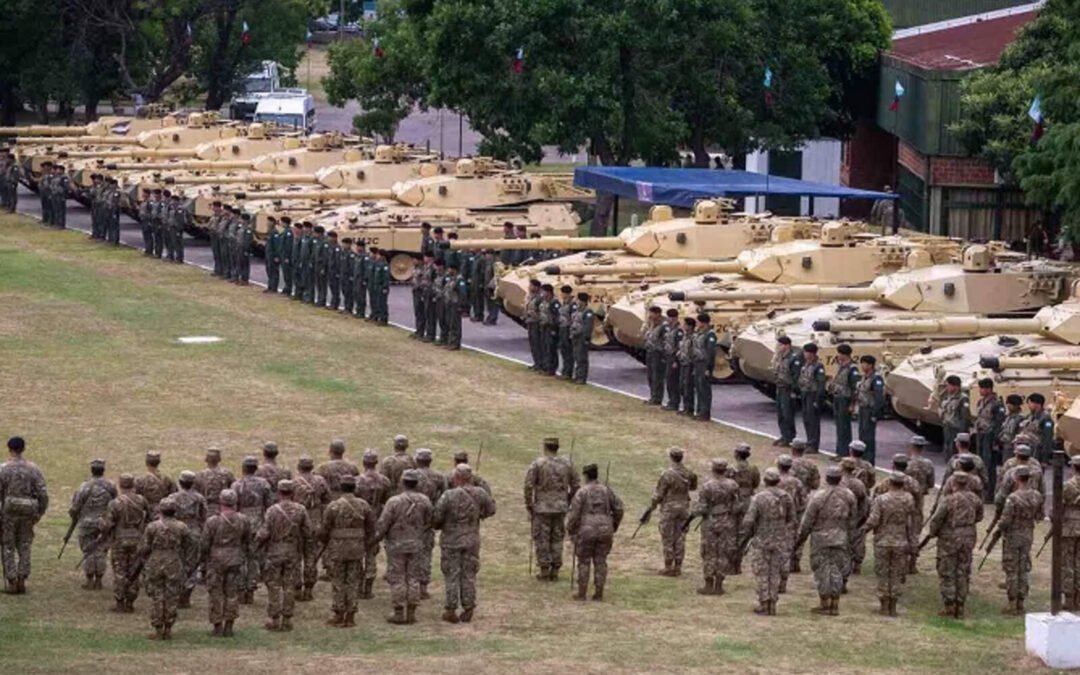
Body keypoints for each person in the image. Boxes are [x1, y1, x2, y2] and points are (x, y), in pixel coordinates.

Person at [434, 464, 496, 623]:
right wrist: (478, 516)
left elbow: (437, 518)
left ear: (457, 478)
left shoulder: (448, 495)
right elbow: (491, 509)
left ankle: (450, 608)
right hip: (471, 540)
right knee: (469, 574)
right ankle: (468, 607)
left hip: (451, 540)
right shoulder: (480, 493)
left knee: (451, 574)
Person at [373, 469, 434, 624]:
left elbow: (383, 523)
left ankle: (399, 612)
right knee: (413, 578)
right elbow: (430, 521)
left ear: (402, 483)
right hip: (416, 544)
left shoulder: (394, 501)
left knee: (398, 578)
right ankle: (412, 612)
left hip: (396, 545)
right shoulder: (425, 500)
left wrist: (375, 539)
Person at [797, 465, 857, 616]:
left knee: (822, 571)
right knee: (837, 569)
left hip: (820, 539)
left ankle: (824, 603)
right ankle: (835, 603)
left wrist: (800, 539)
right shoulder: (849, 495)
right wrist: (850, 537)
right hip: (841, 538)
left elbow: (807, 522)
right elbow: (853, 520)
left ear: (827, 478)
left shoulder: (818, 496)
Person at [923, 472, 983, 618]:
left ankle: (949, 604)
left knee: (947, 571)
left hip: (949, 538)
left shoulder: (948, 500)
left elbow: (937, 519)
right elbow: (979, 516)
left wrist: (933, 533)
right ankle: (960, 604)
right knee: (963, 571)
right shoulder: (975, 499)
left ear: (953, 483)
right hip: (968, 537)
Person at [320, 475, 376, 628]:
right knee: (353, 581)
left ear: (341, 487)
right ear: (355, 487)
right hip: (357, 548)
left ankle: (339, 614)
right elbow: (371, 527)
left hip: (338, 549)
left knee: (338, 581)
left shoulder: (333, 506)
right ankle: (351, 616)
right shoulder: (363, 505)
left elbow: (325, 529)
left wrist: (324, 544)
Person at [138, 496, 196, 640]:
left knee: (157, 595)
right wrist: (188, 563)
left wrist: (145, 559)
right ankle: (168, 628)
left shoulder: (152, 526)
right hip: (174, 561)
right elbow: (191, 545)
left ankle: (158, 629)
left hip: (155, 561)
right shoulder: (182, 527)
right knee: (172, 596)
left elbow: (144, 547)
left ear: (160, 510)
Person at [740, 468, 795, 616]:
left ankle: (764, 603)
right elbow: (791, 519)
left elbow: (749, 521)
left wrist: (745, 537)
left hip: (762, 540)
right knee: (775, 572)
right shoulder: (786, 497)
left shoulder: (758, 498)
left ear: (765, 481)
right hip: (780, 540)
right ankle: (773, 603)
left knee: (762, 572)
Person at [566, 463, 624, 601]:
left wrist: (571, 529)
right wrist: (613, 524)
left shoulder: (582, 492)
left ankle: (582, 593)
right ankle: (599, 593)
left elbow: (574, 514)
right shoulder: (607, 491)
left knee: (584, 561)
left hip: (586, 529)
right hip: (605, 528)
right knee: (601, 561)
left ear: (585, 476)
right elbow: (619, 509)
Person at [524, 437, 579, 581]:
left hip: (542, 507)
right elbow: (576, 485)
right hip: (560, 507)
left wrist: (530, 506)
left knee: (542, 538)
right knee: (557, 538)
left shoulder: (538, 464)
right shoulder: (567, 464)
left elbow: (529, 486)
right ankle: (555, 569)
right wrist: (568, 500)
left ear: (545, 447)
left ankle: (544, 569)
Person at [864, 472, 918, 616]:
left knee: (883, 572)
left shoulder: (881, 499)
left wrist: (863, 529)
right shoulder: (909, 499)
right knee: (896, 573)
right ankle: (893, 605)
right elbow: (910, 521)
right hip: (901, 540)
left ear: (890, 483)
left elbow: (874, 519)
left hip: (883, 540)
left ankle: (884, 605)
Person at [200, 488, 252, 637]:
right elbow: (248, 541)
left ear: (220, 502)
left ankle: (217, 626)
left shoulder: (213, 521)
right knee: (232, 593)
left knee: (215, 593)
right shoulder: (243, 519)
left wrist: (204, 559)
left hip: (216, 559)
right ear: (235, 502)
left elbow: (204, 544)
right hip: (235, 558)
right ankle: (229, 625)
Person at [0, 437, 48, 594]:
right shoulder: (33, 469)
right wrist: (39, 512)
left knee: (8, 546)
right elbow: (42, 493)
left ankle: (11, 580)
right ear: (23, 448)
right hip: (28, 513)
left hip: (8, 513)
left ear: (9, 449)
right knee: (24, 545)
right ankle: (22, 579)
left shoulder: (4, 469)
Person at [100, 473, 151, 612]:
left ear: (120, 485)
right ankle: (130, 602)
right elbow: (150, 518)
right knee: (134, 570)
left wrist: (103, 533)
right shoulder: (141, 500)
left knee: (120, 571)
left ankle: (120, 602)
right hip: (137, 539)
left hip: (120, 540)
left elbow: (107, 524)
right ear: (133, 484)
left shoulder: (115, 503)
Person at [997, 466, 1043, 615]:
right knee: (1023, 568)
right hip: (1028, 534)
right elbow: (1040, 516)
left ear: (1016, 479)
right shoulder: (1037, 496)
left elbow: (1005, 520)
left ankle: (1012, 602)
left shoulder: (1013, 498)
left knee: (1011, 569)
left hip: (1013, 536)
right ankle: (1021, 601)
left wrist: (999, 527)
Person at [692, 458, 741, 595]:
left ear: (713, 469)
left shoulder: (708, 486)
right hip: (727, 521)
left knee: (709, 551)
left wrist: (694, 511)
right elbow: (737, 506)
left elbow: (701, 508)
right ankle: (719, 584)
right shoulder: (733, 485)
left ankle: (708, 584)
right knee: (723, 552)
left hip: (711, 522)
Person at [650, 447, 698, 577]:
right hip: (684, 507)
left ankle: (668, 566)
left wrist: (653, 505)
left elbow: (659, 494)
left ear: (671, 457)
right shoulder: (689, 473)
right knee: (681, 537)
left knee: (668, 537)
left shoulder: (667, 474)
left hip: (669, 508)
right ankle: (678, 566)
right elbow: (693, 487)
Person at [69, 459, 117, 590]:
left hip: (87, 523)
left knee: (88, 550)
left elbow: (75, 507)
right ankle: (99, 579)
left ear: (92, 470)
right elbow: (115, 503)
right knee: (101, 550)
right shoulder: (110, 486)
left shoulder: (85, 486)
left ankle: (90, 579)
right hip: (104, 522)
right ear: (103, 470)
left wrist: (74, 517)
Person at [232, 456, 273, 603]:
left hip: (241, 524)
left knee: (241, 557)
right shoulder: (264, 484)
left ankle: (241, 589)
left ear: (243, 468)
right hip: (259, 523)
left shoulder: (237, 485)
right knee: (254, 558)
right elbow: (270, 506)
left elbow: (232, 508)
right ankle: (251, 589)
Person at [356, 449, 393, 598]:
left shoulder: (357, 480)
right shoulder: (384, 481)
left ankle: (359, 587)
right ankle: (368, 588)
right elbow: (388, 502)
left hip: (360, 521)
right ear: (376, 463)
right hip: (376, 520)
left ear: (364, 462)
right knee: (371, 554)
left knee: (358, 554)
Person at [293, 455, 331, 601]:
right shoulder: (320, 481)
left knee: (296, 557)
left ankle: (297, 588)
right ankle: (309, 589)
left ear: (299, 467)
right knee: (311, 557)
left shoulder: (294, 482)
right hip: (315, 522)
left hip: (298, 522)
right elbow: (327, 500)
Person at [172, 471, 208, 609]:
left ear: (180, 482)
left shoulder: (172, 498)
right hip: (194, 532)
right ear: (193, 483)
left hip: (177, 531)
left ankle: (176, 592)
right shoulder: (199, 498)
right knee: (191, 564)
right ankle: (185, 596)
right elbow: (204, 517)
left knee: (176, 561)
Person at [774, 455, 806, 591]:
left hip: (775, 519)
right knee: (787, 547)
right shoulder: (797, 482)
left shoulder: (774, 481)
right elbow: (803, 501)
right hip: (791, 518)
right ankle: (784, 579)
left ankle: (776, 579)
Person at [788, 441, 819, 572]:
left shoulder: (785, 462)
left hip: (787, 501)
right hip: (802, 500)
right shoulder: (810, 465)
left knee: (787, 529)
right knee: (800, 530)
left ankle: (787, 559)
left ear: (792, 449)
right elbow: (816, 484)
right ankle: (796, 560)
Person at [972, 378, 1005, 500]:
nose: (980, 390)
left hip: (990, 437)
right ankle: (982, 491)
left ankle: (989, 494)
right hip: (980, 435)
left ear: (989, 389)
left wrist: (995, 440)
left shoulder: (997, 404)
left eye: (982, 388)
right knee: (980, 464)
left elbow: (998, 423)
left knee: (989, 466)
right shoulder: (981, 402)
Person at [731, 443, 760, 575]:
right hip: (748, 500)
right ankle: (738, 564)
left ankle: (731, 563)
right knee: (744, 533)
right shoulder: (753, 469)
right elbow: (756, 483)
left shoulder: (732, 469)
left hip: (735, 501)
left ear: (736, 454)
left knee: (732, 532)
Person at [839, 458, 869, 582]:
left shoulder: (838, 481)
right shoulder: (858, 484)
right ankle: (856, 565)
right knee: (857, 541)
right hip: (855, 518)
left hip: (840, 518)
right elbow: (864, 502)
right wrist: (861, 517)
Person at [828, 344, 860, 456]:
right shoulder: (842, 367)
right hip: (838, 398)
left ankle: (845, 452)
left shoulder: (852, 369)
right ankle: (840, 451)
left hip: (845, 400)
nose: (837, 355)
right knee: (839, 426)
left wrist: (852, 404)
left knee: (844, 427)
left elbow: (855, 388)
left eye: (839, 353)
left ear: (844, 355)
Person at [854, 355, 885, 465]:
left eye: (865, 364)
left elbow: (879, 398)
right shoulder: (865, 377)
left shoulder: (876, 379)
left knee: (868, 437)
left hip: (870, 410)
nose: (862, 366)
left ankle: (869, 461)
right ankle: (862, 459)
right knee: (862, 435)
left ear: (871, 365)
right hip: (863, 408)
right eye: (862, 363)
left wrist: (875, 414)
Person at [772, 336, 802, 447]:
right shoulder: (780, 357)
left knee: (787, 414)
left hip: (788, 389)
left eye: (780, 345)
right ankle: (784, 435)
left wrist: (794, 390)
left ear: (786, 345)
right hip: (780, 388)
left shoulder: (793, 358)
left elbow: (796, 376)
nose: (778, 347)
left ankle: (789, 437)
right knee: (781, 414)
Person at [797, 343, 826, 452]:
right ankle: (809, 441)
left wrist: (818, 400)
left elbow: (821, 384)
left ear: (811, 353)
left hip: (812, 394)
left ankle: (813, 444)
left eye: (806, 352)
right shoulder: (806, 365)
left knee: (813, 420)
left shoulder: (818, 367)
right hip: (805, 393)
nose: (804, 354)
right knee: (806, 419)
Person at [193, 447, 235, 518]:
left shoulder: (199, 475)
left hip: (206, 510)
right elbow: (233, 490)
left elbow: (195, 494)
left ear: (206, 459)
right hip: (224, 510)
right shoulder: (227, 474)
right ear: (219, 459)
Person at [1015, 393, 1056, 464]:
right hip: (1026, 452)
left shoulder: (1046, 418)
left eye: (1029, 403)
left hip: (1038, 453)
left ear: (1036, 404)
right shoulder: (1029, 416)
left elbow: (1047, 438)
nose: (1028, 406)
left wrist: (1044, 458)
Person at [692, 314, 718, 421]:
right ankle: (699, 410)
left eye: (698, 322)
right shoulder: (700, 334)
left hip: (704, 364)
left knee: (704, 389)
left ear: (703, 323)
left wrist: (708, 368)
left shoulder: (710, 335)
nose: (697, 324)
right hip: (698, 363)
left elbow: (711, 352)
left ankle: (705, 412)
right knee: (698, 388)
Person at [937, 375, 970, 459]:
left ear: (955, 386)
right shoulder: (947, 397)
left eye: (948, 385)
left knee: (954, 451)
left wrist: (962, 433)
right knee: (947, 449)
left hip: (956, 428)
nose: (947, 387)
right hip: (947, 426)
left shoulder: (963, 398)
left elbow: (964, 417)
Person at [1062, 456, 1080, 611]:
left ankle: (1069, 598)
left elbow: (1058, 506)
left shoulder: (1067, 486)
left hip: (1069, 527)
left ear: (1073, 467)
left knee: (1068, 564)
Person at [643, 306, 667, 404]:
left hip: (658, 353)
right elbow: (646, 336)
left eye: (652, 313)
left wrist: (663, 355)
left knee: (657, 376)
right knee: (650, 376)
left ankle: (657, 398)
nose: (650, 315)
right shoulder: (651, 324)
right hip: (650, 351)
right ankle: (653, 396)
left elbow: (665, 341)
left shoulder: (663, 326)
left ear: (657, 314)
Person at [661, 309, 684, 410]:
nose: (668, 319)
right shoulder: (669, 329)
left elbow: (679, 346)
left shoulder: (678, 331)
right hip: (668, 356)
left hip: (674, 358)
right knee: (669, 380)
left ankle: (674, 402)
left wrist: (675, 360)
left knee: (673, 380)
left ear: (674, 318)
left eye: (670, 317)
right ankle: (671, 401)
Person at [570, 292, 594, 384]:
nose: (576, 301)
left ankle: (581, 377)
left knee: (581, 358)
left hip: (581, 337)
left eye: (578, 299)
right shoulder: (578, 311)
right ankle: (577, 375)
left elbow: (587, 326)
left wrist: (585, 338)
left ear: (582, 301)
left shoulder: (588, 312)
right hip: (575, 336)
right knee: (576, 356)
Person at [443, 263, 467, 349]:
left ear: (454, 270)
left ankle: (455, 343)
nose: (448, 271)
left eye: (450, 269)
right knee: (449, 323)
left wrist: (461, 306)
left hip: (456, 304)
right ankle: (450, 342)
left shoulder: (460, 280)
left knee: (455, 324)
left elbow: (463, 293)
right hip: (450, 303)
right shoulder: (451, 279)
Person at [997, 394, 1026, 466]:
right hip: (1005, 445)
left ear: (1017, 405)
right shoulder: (1008, 417)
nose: (1008, 406)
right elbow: (1003, 429)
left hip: (1013, 447)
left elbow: (1020, 433)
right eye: (1008, 404)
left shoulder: (1020, 418)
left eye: (1011, 404)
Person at [905, 436, 936, 501]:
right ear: (922, 448)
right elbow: (931, 484)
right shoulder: (928, 464)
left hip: (905, 497)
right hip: (919, 497)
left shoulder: (905, 463)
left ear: (912, 446)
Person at [677, 316, 697, 415]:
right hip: (683, 362)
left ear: (690, 326)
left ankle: (689, 408)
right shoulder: (685, 336)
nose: (683, 326)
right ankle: (685, 406)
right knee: (682, 386)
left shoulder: (694, 338)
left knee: (688, 386)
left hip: (690, 364)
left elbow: (694, 352)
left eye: (685, 324)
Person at [412, 252, 434, 337]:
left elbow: (427, 280)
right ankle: (419, 330)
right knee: (418, 312)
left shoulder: (427, 268)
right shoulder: (422, 268)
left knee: (425, 313)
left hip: (422, 291)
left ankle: (426, 332)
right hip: (417, 290)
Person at [557, 285, 577, 378]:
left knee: (568, 351)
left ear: (566, 293)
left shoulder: (573, 304)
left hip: (568, 328)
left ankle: (568, 372)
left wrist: (571, 331)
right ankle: (565, 370)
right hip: (562, 328)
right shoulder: (564, 303)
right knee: (563, 350)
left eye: (563, 293)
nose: (561, 295)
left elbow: (573, 318)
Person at [265, 216, 283, 292]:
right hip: (268, 254)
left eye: (269, 222)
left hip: (273, 255)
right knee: (269, 270)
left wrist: (276, 256)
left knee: (274, 271)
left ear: (272, 223)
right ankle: (270, 286)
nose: (267, 223)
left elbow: (277, 245)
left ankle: (274, 287)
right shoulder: (270, 231)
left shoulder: (275, 232)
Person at [280, 216, 295, 296]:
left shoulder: (288, 232)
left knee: (288, 273)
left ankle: (288, 288)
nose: (280, 223)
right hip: (283, 255)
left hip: (286, 256)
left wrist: (287, 257)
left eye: (282, 222)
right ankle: (286, 287)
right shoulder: (285, 231)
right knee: (285, 273)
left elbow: (288, 246)